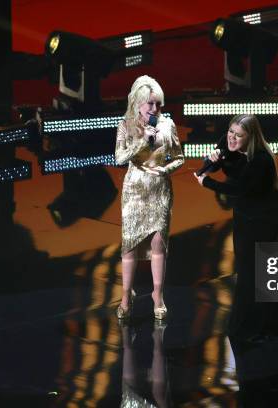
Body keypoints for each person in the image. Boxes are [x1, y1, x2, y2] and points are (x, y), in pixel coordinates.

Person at [194, 114, 278, 341]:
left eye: (239, 135)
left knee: (252, 269)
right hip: (245, 212)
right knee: (250, 265)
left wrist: (206, 182)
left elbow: (240, 189)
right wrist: (214, 159)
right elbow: (211, 167)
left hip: (267, 214)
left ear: (250, 137)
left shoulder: (262, 160)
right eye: (230, 132)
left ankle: (249, 326)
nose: (232, 138)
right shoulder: (226, 142)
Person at [115, 75, 184, 321]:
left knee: (158, 244)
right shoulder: (125, 125)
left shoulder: (168, 125)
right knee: (130, 244)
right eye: (150, 104)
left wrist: (166, 170)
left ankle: (158, 295)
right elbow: (120, 159)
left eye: (158, 104)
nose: (155, 109)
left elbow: (179, 157)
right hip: (135, 189)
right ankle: (125, 296)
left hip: (159, 189)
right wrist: (143, 141)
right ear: (138, 103)